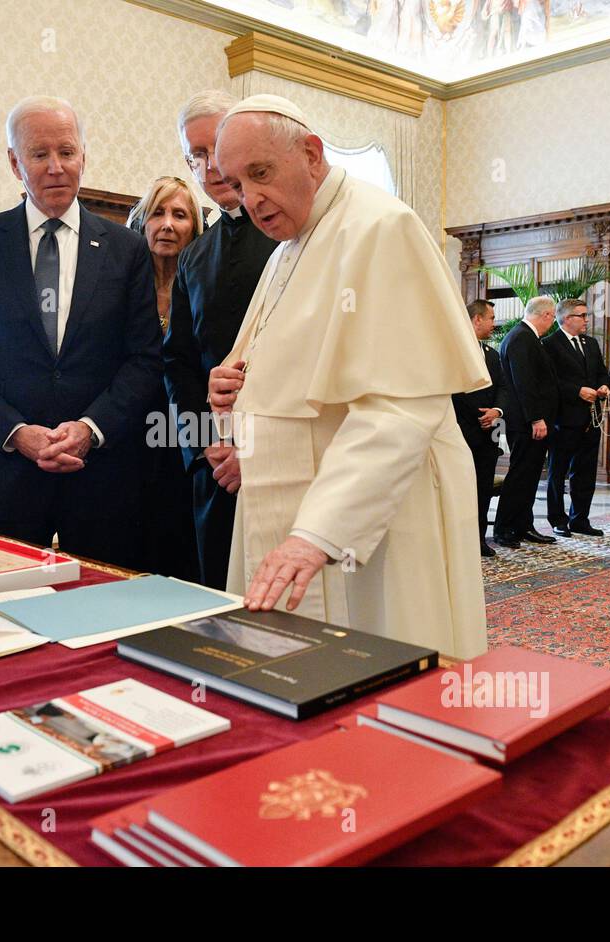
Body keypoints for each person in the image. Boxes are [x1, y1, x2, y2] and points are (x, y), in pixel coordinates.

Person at [206, 94, 489, 658]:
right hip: (297, 498)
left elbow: (399, 409)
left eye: (260, 173)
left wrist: (318, 533)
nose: (250, 199)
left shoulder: (382, 227)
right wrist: (237, 415)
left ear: (311, 154)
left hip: (385, 516)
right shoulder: (288, 247)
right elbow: (291, 385)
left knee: (385, 665)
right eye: (236, 184)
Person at [0, 96, 162, 568]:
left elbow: (143, 361)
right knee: (6, 625)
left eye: (67, 152)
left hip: (102, 480)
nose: (56, 167)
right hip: (5, 482)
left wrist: (89, 428)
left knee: (104, 623)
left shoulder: (127, 249)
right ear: (15, 163)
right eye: (40, 155)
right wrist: (17, 433)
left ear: (84, 156)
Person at [164, 89, 280, 588]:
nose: (208, 166)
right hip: (214, 472)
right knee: (218, 610)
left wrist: (255, 454)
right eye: (195, 155)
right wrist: (207, 446)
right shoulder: (194, 256)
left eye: (215, 148)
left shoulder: (292, 235)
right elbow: (179, 364)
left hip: (283, 465)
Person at [127, 176, 204, 581]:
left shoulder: (204, 287)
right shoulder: (121, 287)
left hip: (187, 440)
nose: (168, 225)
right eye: (158, 213)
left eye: (180, 214)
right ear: (143, 222)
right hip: (129, 442)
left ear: (195, 226)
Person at [493, 296, 560, 549]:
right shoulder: (521, 337)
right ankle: (505, 529)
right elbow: (524, 383)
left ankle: (523, 525)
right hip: (526, 422)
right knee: (521, 476)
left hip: (531, 421)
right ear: (544, 315)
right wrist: (536, 418)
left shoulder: (527, 336)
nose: (552, 322)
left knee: (530, 476)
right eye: (553, 317)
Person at [542, 298, 610, 537]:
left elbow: (602, 372)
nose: (587, 320)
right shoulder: (549, 344)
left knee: (585, 472)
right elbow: (549, 382)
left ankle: (580, 519)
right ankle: (558, 519)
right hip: (564, 420)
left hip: (591, 420)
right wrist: (576, 391)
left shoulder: (590, 343)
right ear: (567, 318)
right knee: (558, 472)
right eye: (582, 315)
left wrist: (603, 386)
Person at [451, 300, 508, 557]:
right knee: (460, 490)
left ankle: (479, 539)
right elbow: (454, 392)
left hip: (488, 434)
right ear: (477, 320)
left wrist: (496, 411)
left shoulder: (493, 354)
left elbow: (504, 388)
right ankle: (458, 542)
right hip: (462, 431)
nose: (494, 324)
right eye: (492, 318)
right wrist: (479, 415)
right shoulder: (455, 352)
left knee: (483, 488)